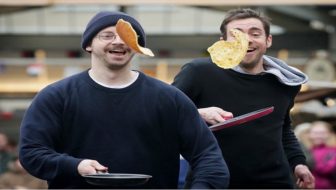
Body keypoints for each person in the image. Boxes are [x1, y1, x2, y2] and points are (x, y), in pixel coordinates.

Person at [18, 11, 229, 189]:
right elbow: (32, 153)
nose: (118, 41)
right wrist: (75, 165)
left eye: (128, 37)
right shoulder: (56, 96)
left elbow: (208, 157)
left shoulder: (169, 98)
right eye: (107, 35)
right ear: (88, 45)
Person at [172, 8, 315, 189]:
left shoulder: (286, 82)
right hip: (213, 179)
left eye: (255, 33)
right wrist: (199, 113)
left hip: (275, 181)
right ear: (223, 43)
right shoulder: (198, 72)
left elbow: (283, 127)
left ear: (268, 40)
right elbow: (164, 112)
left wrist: (298, 163)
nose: (246, 40)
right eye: (236, 35)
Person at [308, 121, 336, 189]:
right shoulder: (307, 150)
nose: (318, 136)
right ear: (309, 134)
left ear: (329, 134)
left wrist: (308, 164)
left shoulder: (333, 150)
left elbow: (328, 168)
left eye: (322, 133)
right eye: (315, 133)